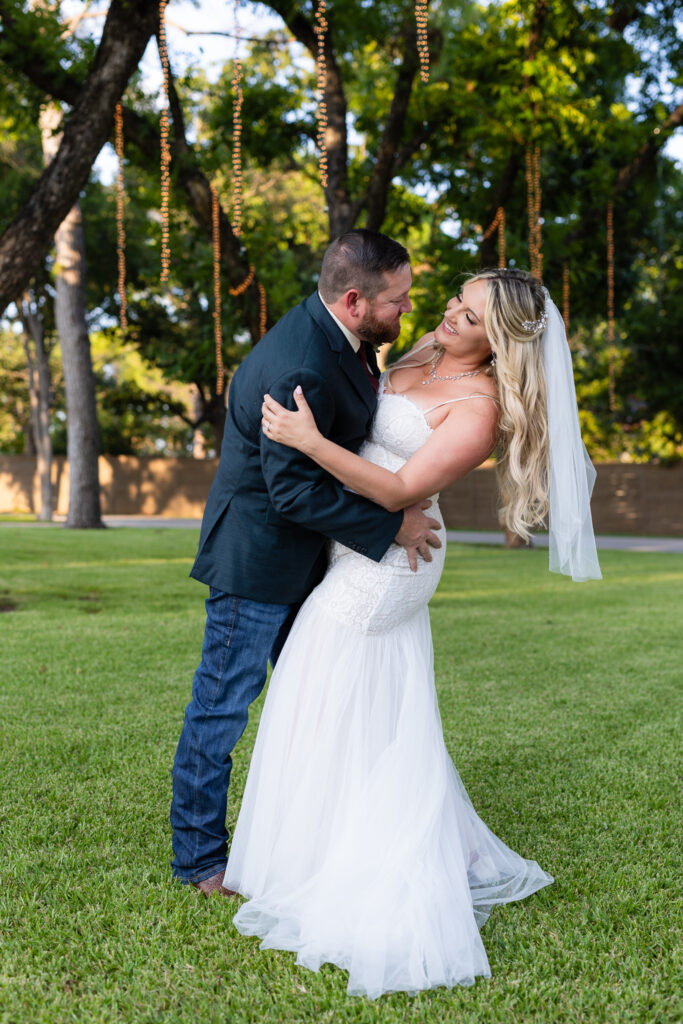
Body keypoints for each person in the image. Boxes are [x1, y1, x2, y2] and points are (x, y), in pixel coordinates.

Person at [223, 268, 602, 998]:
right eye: (455, 301)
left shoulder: (480, 409)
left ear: (502, 340)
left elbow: (399, 490)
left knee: (315, 682)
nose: (448, 315)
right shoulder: (420, 352)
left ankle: (337, 859)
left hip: (393, 558)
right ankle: (318, 843)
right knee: (360, 706)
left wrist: (304, 439)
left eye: (469, 314)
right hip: (356, 541)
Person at [171, 230, 443, 894]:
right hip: (257, 560)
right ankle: (201, 860)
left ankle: (307, 840)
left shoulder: (340, 339)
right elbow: (292, 490)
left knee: (308, 704)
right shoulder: (303, 365)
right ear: (353, 300)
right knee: (221, 707)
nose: (405, 312)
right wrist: (392, 523)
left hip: (309, 558)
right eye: (398, 302)